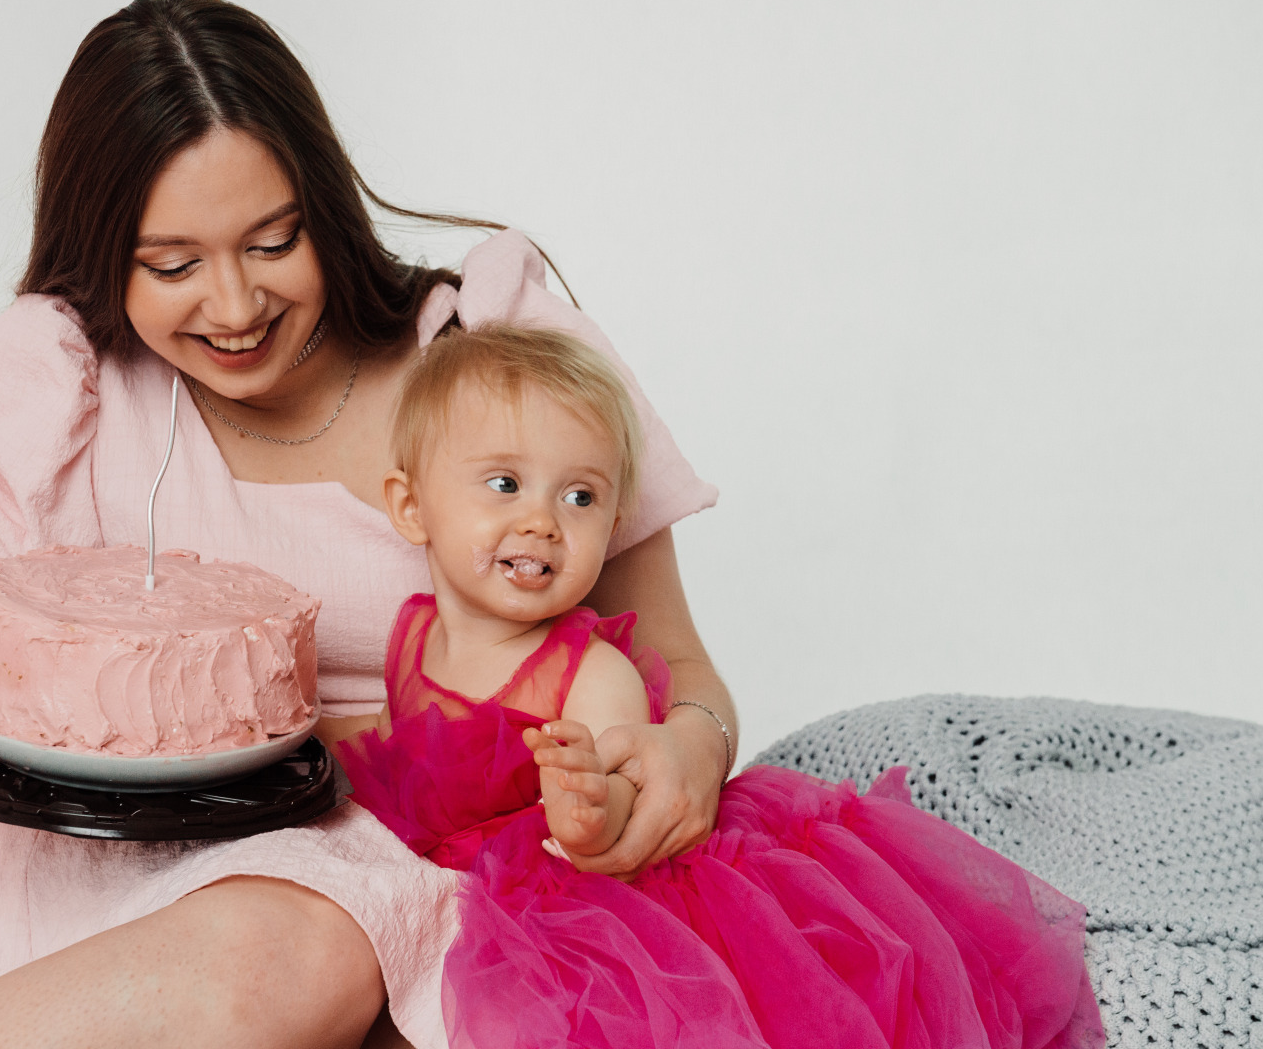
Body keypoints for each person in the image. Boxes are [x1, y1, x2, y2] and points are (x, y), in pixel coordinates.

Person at [0, 0, 726, 1049]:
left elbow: (680, 664)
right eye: (171, 266)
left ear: (325, 203)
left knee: (267, 955)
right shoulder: (64, 394)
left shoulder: (487, 366)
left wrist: (690, 748)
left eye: (273, 244)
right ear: (102, 249)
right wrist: (96, 754)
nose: (233, 308)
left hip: (411, 854)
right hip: (94, 867)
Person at [338, 325, 1107, 1049]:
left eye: (580, 498)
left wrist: (586, 805)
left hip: (596, 899)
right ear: (411, 508)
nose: (542, 521)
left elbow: (631, 813)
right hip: (468, 886)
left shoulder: (588, 672)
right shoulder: (414, 636)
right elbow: (398, 742)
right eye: (505, 484)